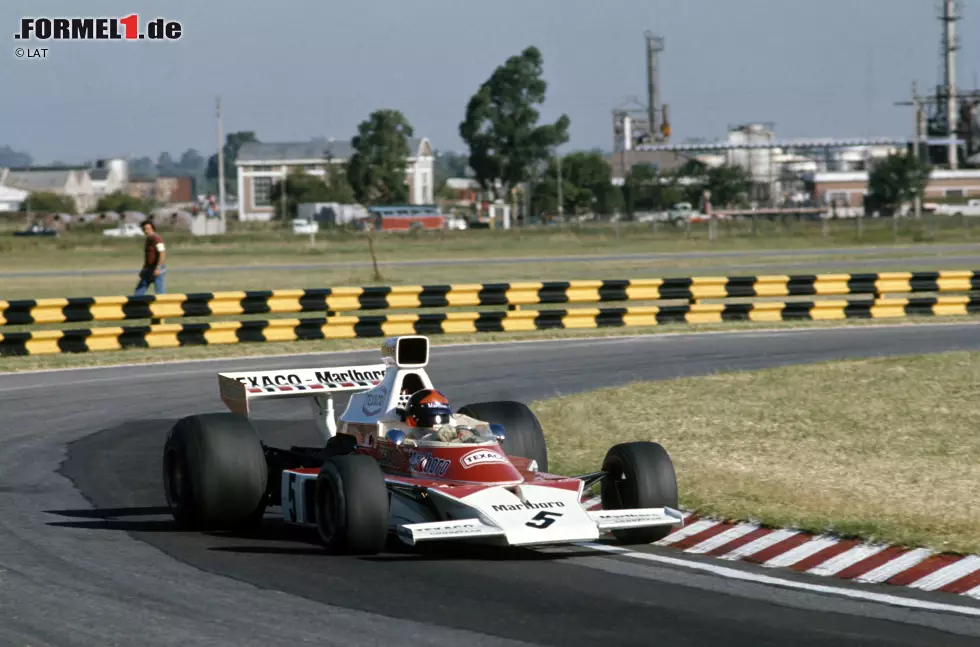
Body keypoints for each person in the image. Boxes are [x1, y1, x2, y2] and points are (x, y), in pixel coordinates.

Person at [403, 388, 477, 442]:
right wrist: (434, 437)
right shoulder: (408, 440)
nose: (436, 423)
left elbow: (484, 431)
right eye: (430, 418)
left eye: (443, 416)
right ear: (414, 418)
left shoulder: (460, 423)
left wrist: (463, 433)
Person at [134, 220, 166, 296]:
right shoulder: (148, 239)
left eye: (148, 228)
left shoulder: (156, 238)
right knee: (139, 292)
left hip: (156, 267)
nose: (146, 230)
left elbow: (162, 253)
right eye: (144, 229)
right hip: (148, 268)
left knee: (160, 292)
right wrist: (143, 269)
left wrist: (158, 268)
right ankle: (137, 306)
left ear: (153, 228)